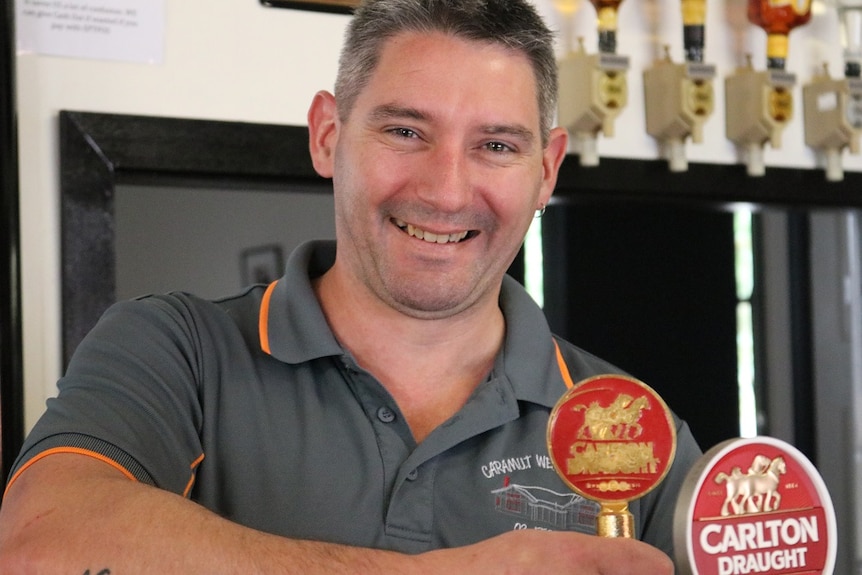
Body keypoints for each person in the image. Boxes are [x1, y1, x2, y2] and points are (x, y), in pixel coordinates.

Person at [0, 0, 702, 572]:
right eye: (405, 130)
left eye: (495, 145)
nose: (446, 190)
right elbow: (40, 543)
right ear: (328, 135)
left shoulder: (637, 429)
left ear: (546, 171)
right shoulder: (174, 351)